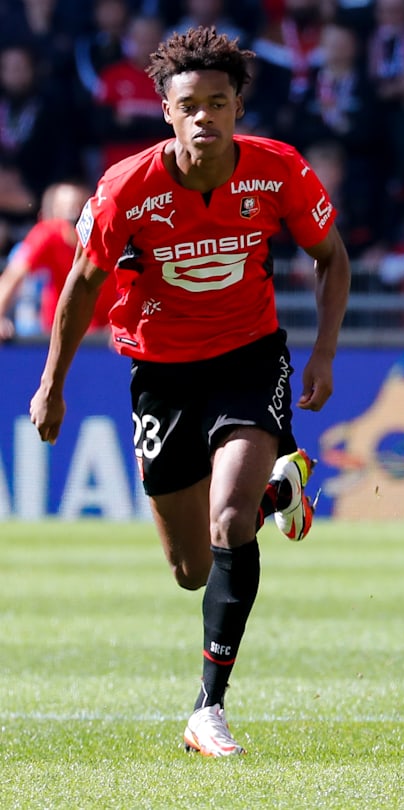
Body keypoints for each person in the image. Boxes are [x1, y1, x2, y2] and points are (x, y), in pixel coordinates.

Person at [27, 27, 350, 757]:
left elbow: (331, 258)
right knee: (191, 569)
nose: (205, 116)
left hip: (248, 356)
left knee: (230, 520)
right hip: (161, 374)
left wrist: (324, 354)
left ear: (238, 107)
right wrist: (53, 384)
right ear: (167, 113)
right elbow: (83, 284)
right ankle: (284, 492)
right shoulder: (125, 189)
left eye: (219, 102)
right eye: (190, 105)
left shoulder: (279, 171)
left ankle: (208, 708)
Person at [0, 181, 114, 341]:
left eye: (80, 207)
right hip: (59, 333)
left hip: (105, 337)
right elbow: (13, 275)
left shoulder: (109, 236)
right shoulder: (48, 233)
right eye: (67, 209)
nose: (74, 214)